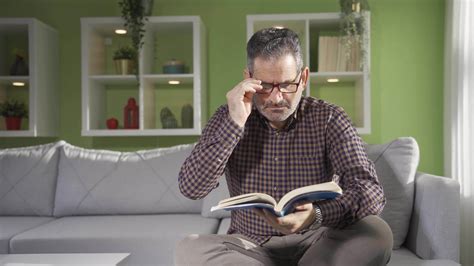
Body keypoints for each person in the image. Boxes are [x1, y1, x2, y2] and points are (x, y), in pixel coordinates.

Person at [176, 27, 393, 266]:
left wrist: (316, 215)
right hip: (249, 247)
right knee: (189, 249)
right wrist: (235, 124)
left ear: (304, 78)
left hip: (319, 240)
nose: (276, 98)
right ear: (248, 78)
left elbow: (370, 190)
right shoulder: (227, 116)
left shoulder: (329, 117)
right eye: (265, 86)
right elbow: (191, 188)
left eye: (287, 85)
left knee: (377, 232)